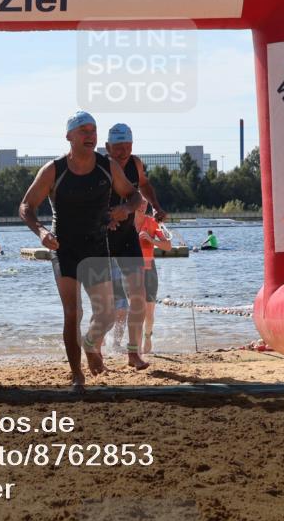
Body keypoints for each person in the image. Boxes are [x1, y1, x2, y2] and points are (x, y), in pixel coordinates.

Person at [19, 111, 142, 388]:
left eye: (93, 130)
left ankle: (90, 345)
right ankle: (77, 374)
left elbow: (135, 195)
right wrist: (40, 231)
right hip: (64, 248)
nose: (90, 136)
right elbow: (26, 206)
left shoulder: (106, 166)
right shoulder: (55, 169)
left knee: (108, 314)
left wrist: (125, 208)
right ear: (69, 136)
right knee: (73, 312)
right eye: (84, 131)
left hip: (96, 247)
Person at [102, 123, 166, 368]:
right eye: (118, 148)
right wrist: (105, 219)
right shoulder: (99, 166)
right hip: (104, 236)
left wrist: (157, 206)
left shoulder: (135, 163)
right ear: (107, 147)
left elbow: (144, 186)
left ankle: (132, 353)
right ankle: (96, 350)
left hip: (127, 234)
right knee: (106, 302)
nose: (123, 153)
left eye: (127, 147)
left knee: (138, 295)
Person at [136, 202, 171, 354]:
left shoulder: (152, 222)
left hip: (149, 270)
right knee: (136, 310)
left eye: (144, 203)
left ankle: (147, 336)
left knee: (149, 312)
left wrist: (151, 240)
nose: (142, 206)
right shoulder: (126, 222)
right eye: (138, 202)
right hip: (131, 270)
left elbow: (168, 246)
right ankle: (134, 345)